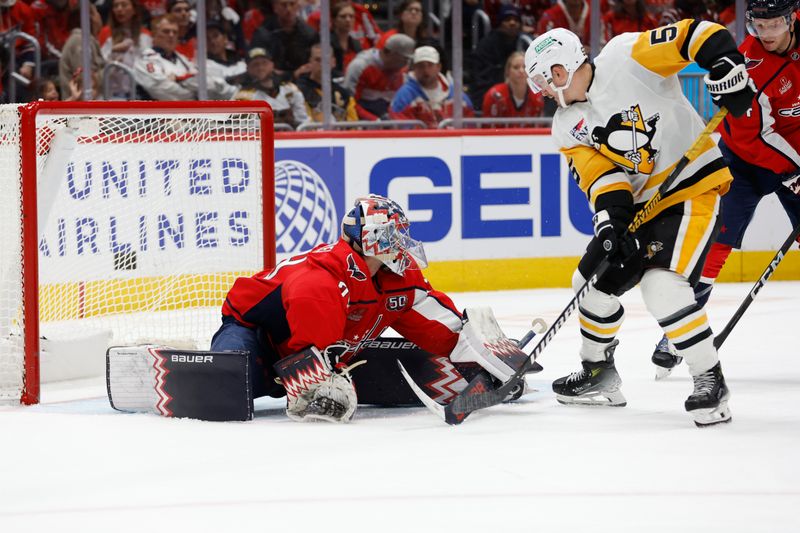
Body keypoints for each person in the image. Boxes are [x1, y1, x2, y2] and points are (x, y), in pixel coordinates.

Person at [524, 22, 756, 426]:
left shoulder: (626, 56)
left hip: (689, 189)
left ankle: (709, 380)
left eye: (544, 78)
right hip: (637, 208)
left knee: (661, 286)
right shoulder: (566, 124)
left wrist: (724, 63)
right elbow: (602, 178)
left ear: (561, 69)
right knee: (589, 284)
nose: (542, 89)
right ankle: (599, 373)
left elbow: (694, 35)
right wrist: (612, 223)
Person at [210, 194, 528, 422]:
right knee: (226, 387)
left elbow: (439, 327)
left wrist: (482, 356)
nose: (403, 242)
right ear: (373, 238)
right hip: (254, 338)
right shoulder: (321, 280)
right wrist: (317, 381)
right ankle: (214, 368)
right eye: (396, 234)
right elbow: (305, 350)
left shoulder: (398, 279)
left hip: (333, 352)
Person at [651, 0, 800, 376]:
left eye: (774, 25)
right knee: (715, 244)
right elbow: (753, 139)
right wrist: (795, 170)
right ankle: (682, 328)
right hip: (745, 161)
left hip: (793, 156)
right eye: (758, 26)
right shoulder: (748, 67)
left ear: (792, 18)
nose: (765, 34)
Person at [133, 15, 237, 100]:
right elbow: (159, 88)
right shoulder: (145, 59)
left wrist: (178, 81)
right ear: (154, 35)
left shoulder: (183, 60)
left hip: (190, 115)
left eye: (175, 32)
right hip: (158, 118)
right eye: (166, 31)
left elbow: (206, 82)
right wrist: (196, 94)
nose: (171, 35)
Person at [389, 45, 474, 128]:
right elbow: (402, 131)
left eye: (430, 65)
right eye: (420, 66)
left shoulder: (457, 95)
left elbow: (469, 125)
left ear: (438, 67)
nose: (426, 70)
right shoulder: (404, 97)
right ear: (414, 68)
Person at [344, 32, 414, 120]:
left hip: (387, 117)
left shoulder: (401, 72)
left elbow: (403, 106)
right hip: (361, 120)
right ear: (389, 53)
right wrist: (375, 121)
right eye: (404, 59)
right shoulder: (360, 66)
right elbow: (348, 102)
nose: (406, 64)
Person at [234, 46, 308, 129]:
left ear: (272, 65)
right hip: (261, 140)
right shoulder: (243, 97)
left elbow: (304, 122)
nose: (261, 68)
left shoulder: (291, 90)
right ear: (248, 69)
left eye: (264, 63)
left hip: (291, 139)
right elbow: (243, 129)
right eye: (255, 65)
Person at [468, 4, 522, 108]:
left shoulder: (524, 42)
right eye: (507, 19)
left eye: (516, 20)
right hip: (489, 94)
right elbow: (481, 79)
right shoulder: (486, 45)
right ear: (500, 23)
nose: (512, 23)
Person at [249, 0, 318, 82]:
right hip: (270, 83)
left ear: (298, 6)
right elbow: (258, 67)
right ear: (275, 7)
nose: (288, 9)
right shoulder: (262, 34)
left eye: (292, 4)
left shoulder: (309, 34)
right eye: (283, 5)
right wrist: (292, 75)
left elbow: (315, 62)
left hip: (303, 82)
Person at [99, 0, 152, 99]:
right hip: (112, 95)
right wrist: (114, 53)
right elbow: (100, 66)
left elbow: (149, 66)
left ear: (134, 9)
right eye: (116, 6)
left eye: (124, 5)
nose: (119, 9)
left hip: (139, 93)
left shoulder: (145, 35)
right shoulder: (106, 33)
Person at [296, 42, 358, 122]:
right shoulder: (299, 91)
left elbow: (353, 126)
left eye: (326, 60)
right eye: (317, 60)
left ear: (333, 62)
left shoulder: (344, 95)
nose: (322, 64)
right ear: (310, 62)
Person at [481, 51, 544, 124]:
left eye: (524, 67)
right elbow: (488, 129)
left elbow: (538, 128)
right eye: (516, 67)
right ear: (508, 71)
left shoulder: (537, 97)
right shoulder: (494, 95)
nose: (521, 71)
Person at [58, 4, 105, 100]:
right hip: (78, 110)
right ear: (90, 18)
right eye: (96, 13)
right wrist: (110, 69)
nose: (99, 16)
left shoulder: (86, 40)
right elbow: (84, 81)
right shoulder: (80, 41)